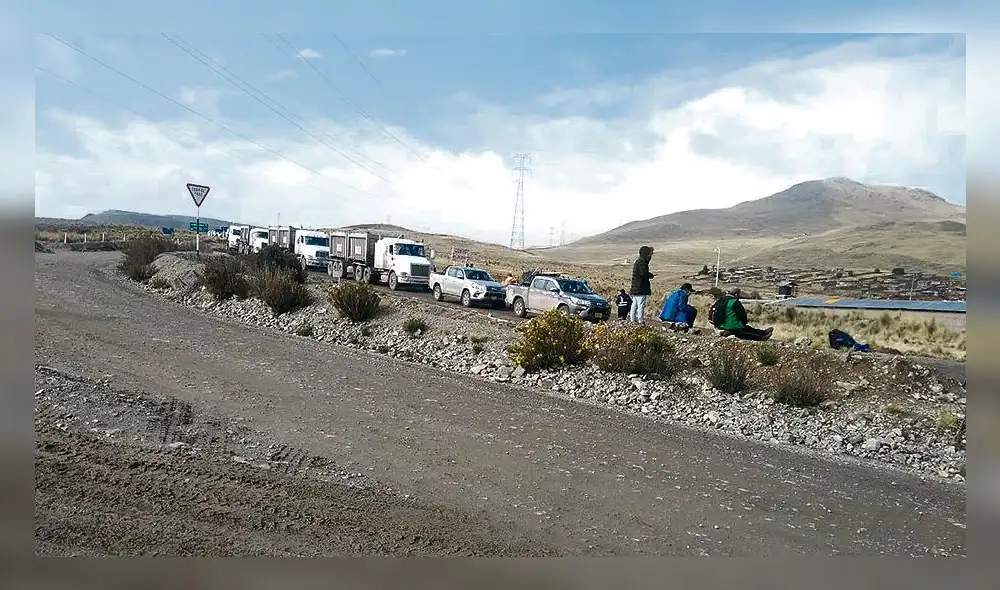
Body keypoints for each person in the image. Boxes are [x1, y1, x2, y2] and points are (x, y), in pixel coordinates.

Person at [629, 245, 654, 323]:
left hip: (635, 288)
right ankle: (640, 320)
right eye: (650, 254)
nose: (651, 256)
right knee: (641, 304)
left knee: (634, 305)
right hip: (640, 288)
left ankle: (632, 319)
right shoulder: (642, 262)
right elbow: (643, 274)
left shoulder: (638, 261)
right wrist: (650, 275)